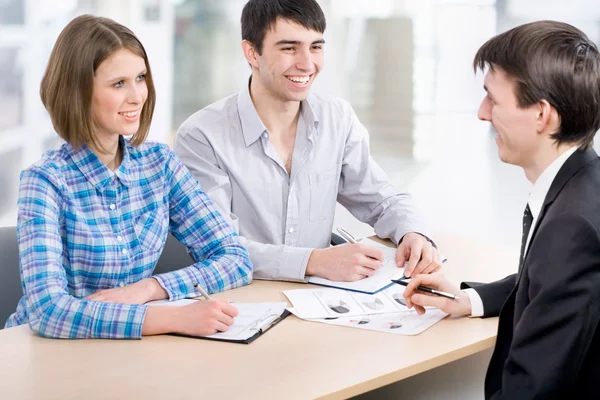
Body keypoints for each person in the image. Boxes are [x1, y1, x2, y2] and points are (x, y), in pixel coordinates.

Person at [5, 15, 252, 339]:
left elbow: (236, 259)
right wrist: (171, 319)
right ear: (78, 92)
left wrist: (149, 289)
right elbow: (48, 311)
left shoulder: (160, 165)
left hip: (127, 352)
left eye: (140, 78)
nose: (137, 95)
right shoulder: (45, 181)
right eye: (118, 84)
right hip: (45, 357)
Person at [173, 0, 440, 283]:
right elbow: (218, 247)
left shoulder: (337, 118)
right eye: (289, 48)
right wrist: (312, 261)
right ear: (252, 52)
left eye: (315, 47)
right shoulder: (202, 136)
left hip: (320, 300)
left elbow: (382, 201)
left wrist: (412, 232)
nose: (307, 64)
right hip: (241, 300)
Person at [403, 21, 600, 399]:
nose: (481, 113)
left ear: (542, 115)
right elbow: (552, 280)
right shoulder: (584, 182)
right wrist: (471, 300)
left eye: (493, 99)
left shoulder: (571, 227)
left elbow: (531, 390)